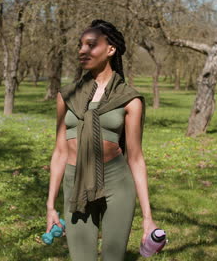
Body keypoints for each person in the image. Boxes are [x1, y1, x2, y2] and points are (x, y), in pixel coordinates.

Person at [45, 19, 158, 261]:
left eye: (91, 45)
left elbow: (136, 158)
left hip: (117, 183)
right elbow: (59, 152)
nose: (82, 51)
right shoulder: (66, 96)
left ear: (110, 49)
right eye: (80, 45)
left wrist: (147, 217)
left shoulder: (129, 99)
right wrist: (50, 206)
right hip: (74, 182)